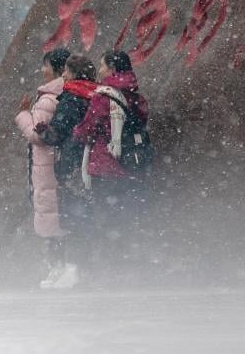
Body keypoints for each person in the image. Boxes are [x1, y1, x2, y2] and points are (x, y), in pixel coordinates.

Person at [72, 50, 149, 283]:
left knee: (105, 220)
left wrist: (76, 132)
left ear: (112, 69)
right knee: (126, 219)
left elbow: (87, 128)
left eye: (103, 66)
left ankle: (109, 270)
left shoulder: (103, 96)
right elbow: (142, 119)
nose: (100, 70)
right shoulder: (134, 95)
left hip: (105, 166)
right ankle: (127, 267)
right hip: (130, 165)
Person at [36, 54, 98, 289]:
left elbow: (58, 133)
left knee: (73, 216)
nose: (63, 75)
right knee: (89, 214)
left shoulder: (71, 97)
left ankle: (73, 269)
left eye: (67, 71)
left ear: (74, 74)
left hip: (72, 163)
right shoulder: (97, 94)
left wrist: (44, 130)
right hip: (94, 162)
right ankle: (88, 267)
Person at [14, 49, 70, 285]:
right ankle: (61, 268)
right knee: (59, 218)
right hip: (56, 164)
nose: (42, 70)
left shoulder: (48, 99)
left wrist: (22, 115)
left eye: (45, 65)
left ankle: (57, 270)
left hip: (47, 167)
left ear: (57, 69)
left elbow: (38, 136)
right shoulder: (67, 93)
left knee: (51, 221)